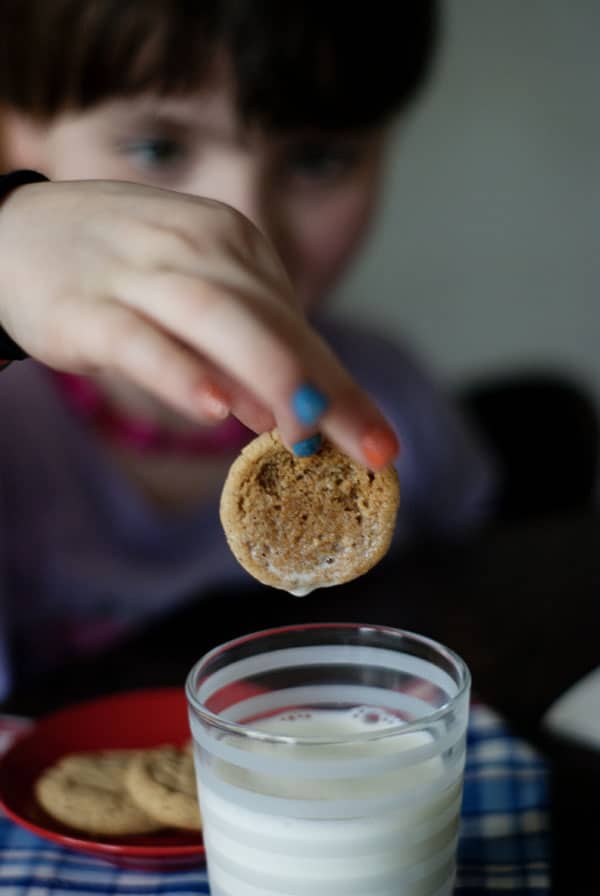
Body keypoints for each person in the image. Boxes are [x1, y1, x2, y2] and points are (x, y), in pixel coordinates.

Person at [0, 0, 494, 700]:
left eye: (317, 159)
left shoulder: (399, 399)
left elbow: (483, 608)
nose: (243, 231)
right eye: (158, 148)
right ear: (18, 134)